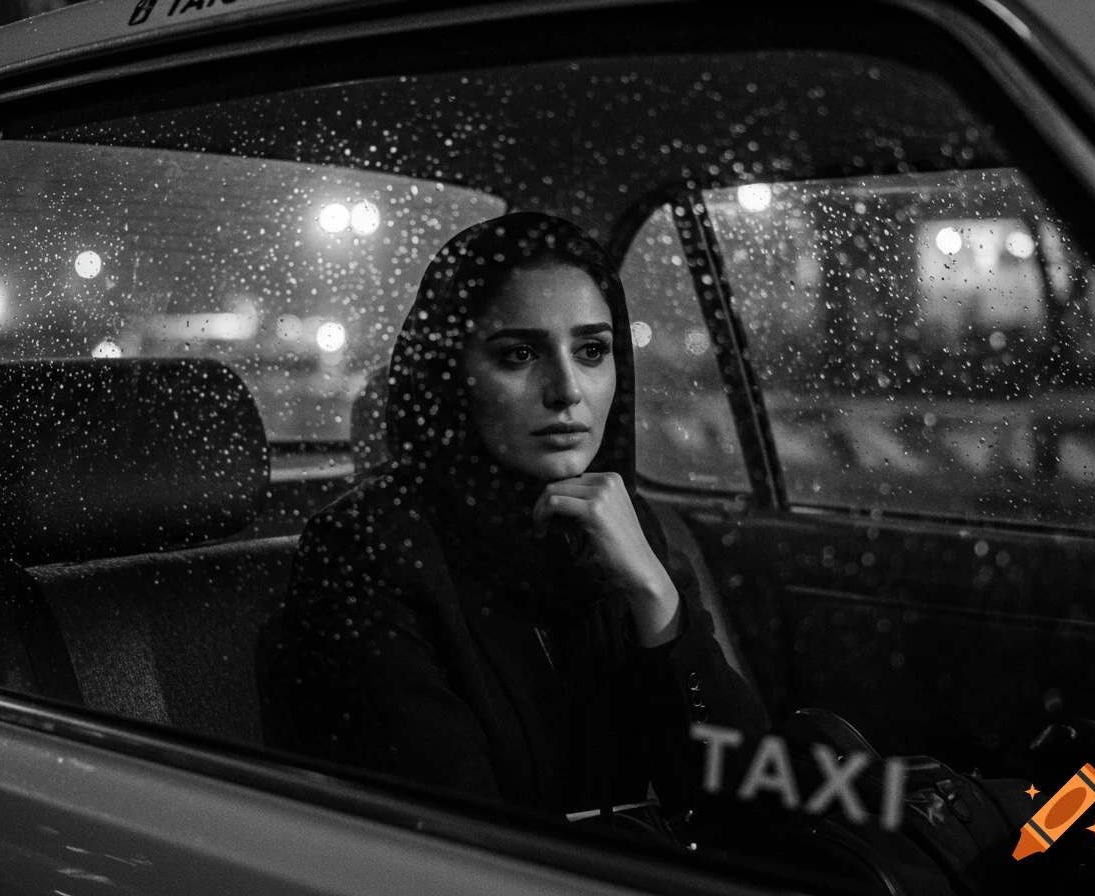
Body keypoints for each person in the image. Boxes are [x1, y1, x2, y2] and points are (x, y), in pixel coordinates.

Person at [262, 212, 767, 817]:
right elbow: (451, 841)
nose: (567, 389)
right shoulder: (368, 548)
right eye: (520, 353)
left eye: (591, 350)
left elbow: (747, 805)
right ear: (454, 377)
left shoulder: (625, 527)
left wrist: (655, 598)